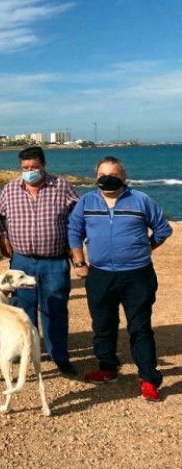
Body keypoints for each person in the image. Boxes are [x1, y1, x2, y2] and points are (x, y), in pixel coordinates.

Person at [68, 156, 172, 402]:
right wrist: (80, 262)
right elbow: (74, 230)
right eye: (102, 175)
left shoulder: (140, 200)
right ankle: (107, 369)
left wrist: (145, 248)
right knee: (103, 326)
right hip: (100, 275)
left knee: (140, 328)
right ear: (96, 178)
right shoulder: (86, 202)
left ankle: (148, 378)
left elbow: (163, 229)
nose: (107, 179)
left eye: (113, 175)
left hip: (137, 275)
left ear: (124, 177)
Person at [0, 146, 79, 375]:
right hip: (21, 261)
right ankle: (22, 351)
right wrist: (2, 236)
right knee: (21, 309)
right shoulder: (11, 189)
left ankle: (59, 356)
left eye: (34, 167)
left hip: (54, 261)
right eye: (25, 168)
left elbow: (79, 216)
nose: (29, 171)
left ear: (44, 165)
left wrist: (73, 243)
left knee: (55, 309)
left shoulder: (62, 187)